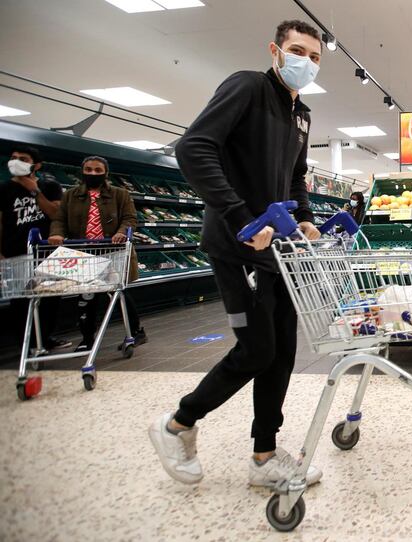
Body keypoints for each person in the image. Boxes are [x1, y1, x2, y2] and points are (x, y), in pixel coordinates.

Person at [148, 19, 323, 488]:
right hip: (236, 245)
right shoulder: (247, 87)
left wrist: (304, 216)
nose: (304, 62)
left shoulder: (302, 114)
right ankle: (176, 425)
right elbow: (194, 148)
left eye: (314, 57)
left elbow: (294, 175)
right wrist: (240, 217)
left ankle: (264, 456)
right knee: (256, 350)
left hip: (278, 251)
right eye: (297, 50)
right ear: (275, 50)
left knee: (283, 350)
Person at [48, 156, 147, 350]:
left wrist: (120, 232)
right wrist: (57, 234)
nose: (93, 173)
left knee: (118, 294)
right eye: (89, 169)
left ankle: (136, 332)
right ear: (82, 171)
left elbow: (129, 218)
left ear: (105, 173)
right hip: (83, 253)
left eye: (97, 170)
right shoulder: (70, 195)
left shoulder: (120, 194)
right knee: (86, 296)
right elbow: (59, 219)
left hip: (112, 252)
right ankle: (87, 338)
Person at [0, 146, 71, 351]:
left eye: (23, 158)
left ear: (36, 165)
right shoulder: (3, 189)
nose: (16, 161)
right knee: (20, 299)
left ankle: (46, 337)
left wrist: (35, 191)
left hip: (47, 252)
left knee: (50, 298)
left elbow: (55, 214)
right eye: (13, 158)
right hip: (16, 251)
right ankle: (27, 342)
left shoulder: (50, 186)